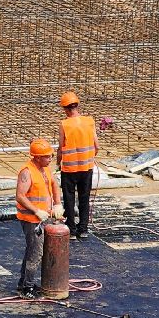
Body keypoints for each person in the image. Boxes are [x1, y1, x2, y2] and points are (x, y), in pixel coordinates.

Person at [14, 138, 57, 298]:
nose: (50, 158)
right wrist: (36, 210)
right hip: (32, 220)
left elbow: (54, 184)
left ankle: (24, 283)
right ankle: (27, 288)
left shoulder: (45, 169)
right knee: (35, 253)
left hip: (42, 218)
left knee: (32, 251)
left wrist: (57, 205)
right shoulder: (27, 172)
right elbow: (20, 196)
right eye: (47, 156)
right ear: (37, 157)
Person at [56, 90, 98, 239]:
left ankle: (71, 230)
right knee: (84, 197)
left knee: (69, 198)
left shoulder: (64, 124)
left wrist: (57, 163)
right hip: (86, 167)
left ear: (66, 109)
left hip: (69, 168)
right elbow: (96, 146)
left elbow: (61, 148)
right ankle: (83, 229)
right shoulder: (89, 121)